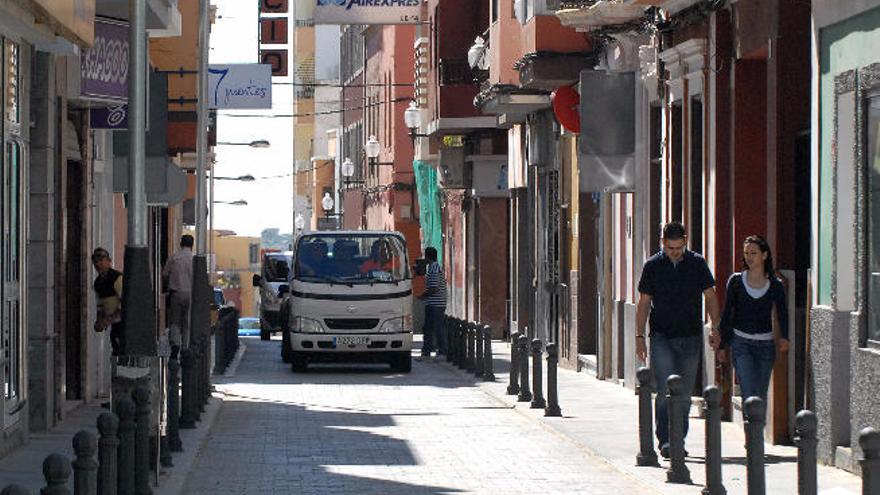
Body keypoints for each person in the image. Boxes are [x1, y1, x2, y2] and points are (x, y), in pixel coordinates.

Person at [635, 221, 721, 459]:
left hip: (691, 337)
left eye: (679, 248)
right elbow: (643, 303)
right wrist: (639, 337)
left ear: (685, 243)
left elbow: (711, 296)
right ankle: (665, 440)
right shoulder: (652, 266)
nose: (675, 252)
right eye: (671, 248)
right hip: (661, 336)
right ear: (663, 243)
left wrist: (715, 326)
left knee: (683, 393)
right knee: (663, 390)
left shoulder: (697, 263)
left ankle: (678, 439)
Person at [719, 235, 789, 404]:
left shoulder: (775, 284)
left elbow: (782, 313)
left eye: (753, 253)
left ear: (764, 255)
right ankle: (751, 429)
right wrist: (723, 345)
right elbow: (727, 313)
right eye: (746, 253)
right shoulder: (735, 282)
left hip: (766, 346)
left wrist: (784, 337)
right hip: (741, 343)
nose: (749, 257)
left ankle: (755, 430)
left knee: (760, 395)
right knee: (749, 392)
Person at [163, 234, 194, 353]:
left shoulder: (174, 258)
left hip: (176, 293)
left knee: (175, 321)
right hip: (190, 294)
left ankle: (175, 345)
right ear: (192, 245)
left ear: (181, 243)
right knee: (187, 321)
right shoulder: (194, 259)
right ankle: (185, 347)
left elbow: (165, 274)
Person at [92, 247, 124, 356]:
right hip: (114, 324)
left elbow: (124, 303)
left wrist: (110, 319)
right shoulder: (98, 283)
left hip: (124, 324)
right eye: (95, 261)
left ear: (109, 261)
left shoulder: (117, 278)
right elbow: (100, 305)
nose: (98, 264)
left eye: (101, 260)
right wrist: (99, 321)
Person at [418, 247, 447, 358]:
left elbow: (434, 288)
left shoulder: (434, 268)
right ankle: (427, 351)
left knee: (437, 327)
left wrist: (423, 296)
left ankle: (442, 350)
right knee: (428, 328)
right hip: (432, 303)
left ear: (428, 256)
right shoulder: (431, 268)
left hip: (436, 304)